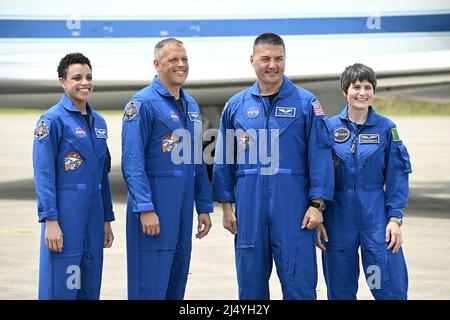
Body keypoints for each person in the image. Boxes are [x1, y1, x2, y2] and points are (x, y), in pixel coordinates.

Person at [212, 33, 334, 300]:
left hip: (294, 212)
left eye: (279, 59)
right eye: (265, 58)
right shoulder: (237, 106)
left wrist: (317, 204)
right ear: (252, 60)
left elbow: (321, 155)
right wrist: (226, 207)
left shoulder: (306, 103)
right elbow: (224, 158)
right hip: (250, 212)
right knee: (250, 288)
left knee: (299, 287)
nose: (272, 65)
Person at [121, 38, 213, 300]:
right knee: (149, 285)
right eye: (173, 60)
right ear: (157, 64)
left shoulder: (191, 106)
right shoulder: (142, 105)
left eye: (184, 59)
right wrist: (145, 208)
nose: (181, 65)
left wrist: (204, 207)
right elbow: (132, 161)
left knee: (176, 282)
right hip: (155, 209)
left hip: (183, 211)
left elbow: (196, 162)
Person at [316, 63, 411, 300]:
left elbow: (398, 174)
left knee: (386, 286)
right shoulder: (328, 128)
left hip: (376, 222)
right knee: (340, 291)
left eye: (368, 87)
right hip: (338, 221)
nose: (362, 92)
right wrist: (318, 213)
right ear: (345, 91)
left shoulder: (386, 128)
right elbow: (316, 174)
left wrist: (395, 219)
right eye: (356, 86)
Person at [33, 53, 115, 300]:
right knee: (62, 284)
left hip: (94, 216)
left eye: (89, 77)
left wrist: (106, 219)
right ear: (62, 81)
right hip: (66, 217)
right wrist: (50, 221)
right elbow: (44, 175)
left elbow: (103, 174)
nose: (85, 83)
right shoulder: (51, 121)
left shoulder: (99, 122)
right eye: (77, 78)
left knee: (88, 282)